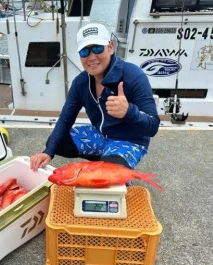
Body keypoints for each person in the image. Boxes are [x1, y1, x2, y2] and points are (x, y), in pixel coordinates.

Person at [30, 23, 160, 171]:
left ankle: (116, 165)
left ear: (110, 47)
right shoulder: (80, 82)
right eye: (84, 51)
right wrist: (47, 152)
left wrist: (129, 112)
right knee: (57, 142)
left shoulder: (134, 76)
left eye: (97, 48)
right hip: (101, 135)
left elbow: (153, 126)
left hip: (129, 141)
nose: (91, 57)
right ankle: (107, 160)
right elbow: (66, 118)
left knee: (108, 177)